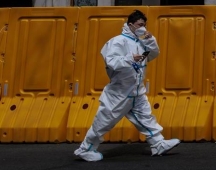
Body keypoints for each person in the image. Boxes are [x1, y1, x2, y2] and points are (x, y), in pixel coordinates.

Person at [74, 10, 180, 161]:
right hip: (119, 91)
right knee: (105, 120)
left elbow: (152, 54)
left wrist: (150, 40)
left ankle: (158, 143)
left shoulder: (141, 40)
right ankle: (86, 149)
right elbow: (112, 62)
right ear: (130, 25)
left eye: (144, 25)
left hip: (136, 89)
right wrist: (130, 58)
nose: (142, 28)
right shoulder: (117, 41)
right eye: (139, 25)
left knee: (145, 117)